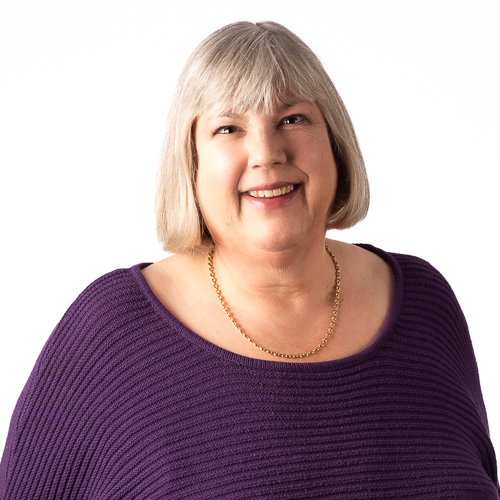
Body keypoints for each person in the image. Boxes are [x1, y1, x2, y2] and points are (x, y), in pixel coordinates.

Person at [0, 20, 498, 500]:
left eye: (292, 119)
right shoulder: (110, 333)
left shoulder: (425, 304)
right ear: (191, 163)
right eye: (228, 128)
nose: (266, 153)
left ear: (334, 141)